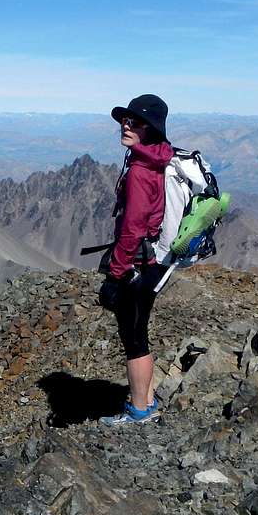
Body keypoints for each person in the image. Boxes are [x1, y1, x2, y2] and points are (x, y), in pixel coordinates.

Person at [98, 94, 173, 425]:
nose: (126, 125)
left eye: (135, 122)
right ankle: (146, 398)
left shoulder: (142, 170)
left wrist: (115, 276)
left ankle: (139, 410)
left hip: (137, 266)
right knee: (138, 331)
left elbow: (131, 228)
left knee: (133, 338)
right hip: (151, 262)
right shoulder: (153, 160)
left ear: (151, 129)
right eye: (125, 120)